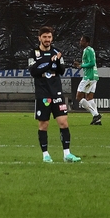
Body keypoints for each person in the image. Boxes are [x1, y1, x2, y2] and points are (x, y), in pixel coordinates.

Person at [28, 26, 80, 163]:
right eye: (44, 37)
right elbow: (34, 71)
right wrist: (51, 62)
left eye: (49, 37)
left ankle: (67, 154)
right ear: (39, 38)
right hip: (43, 94)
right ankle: (45, 155)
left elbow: (61, 70)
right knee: (44, 124)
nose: (47, 39)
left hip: (56, 92)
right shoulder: (33, 53)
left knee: (63, 123)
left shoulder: (57, 52)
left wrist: (56, 61)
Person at [74, 35, 102, 125]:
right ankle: (97, 121)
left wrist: (81, 65)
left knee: (78, 97)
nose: (80, 42)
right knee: (89, 98)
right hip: (94, 76)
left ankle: (96, 115)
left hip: (89, 77)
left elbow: (92, 63)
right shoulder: (90, 50)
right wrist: (80, 65)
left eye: (82, 41)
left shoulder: (88, 50)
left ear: (87, 42)